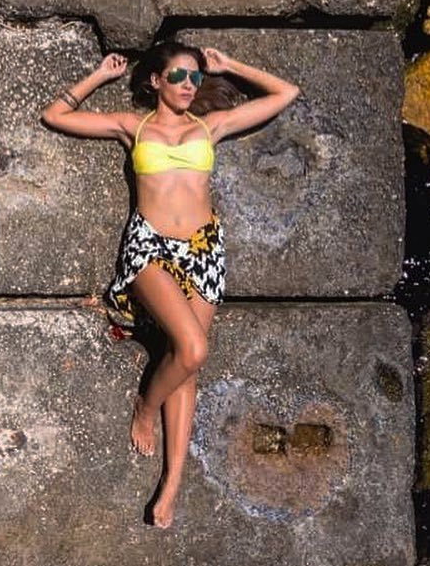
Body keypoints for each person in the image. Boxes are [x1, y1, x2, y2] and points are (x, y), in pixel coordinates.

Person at [41, 40, 299, 528]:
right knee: (193, 349)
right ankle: (146, 405)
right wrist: (99, 76)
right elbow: (55, 115)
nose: (188, 85)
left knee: (187, 364)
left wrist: (230, 64)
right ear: (155, 81)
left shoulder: (210, 126)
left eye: (195, 77)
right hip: (150, 249)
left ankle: (172, 482)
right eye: (178, 76)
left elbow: (286, 93)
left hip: (203, 250)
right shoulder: (133, 127)